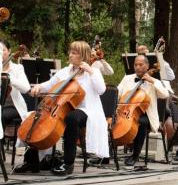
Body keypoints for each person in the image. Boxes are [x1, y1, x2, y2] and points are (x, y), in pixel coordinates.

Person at [15, 41, 109, 175]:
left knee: (72, 118)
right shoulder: (65, 71)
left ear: (83, 55)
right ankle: (32, 161)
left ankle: (68, 163)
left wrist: (90, 70)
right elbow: (49, 84)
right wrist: (38, 87)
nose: (70, 55)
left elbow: (101, 90)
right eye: (70, 52)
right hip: (63, 108)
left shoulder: (93, 72)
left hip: (88, 110)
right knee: (38, 119)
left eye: (74, 53)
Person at [117, 55, 169, 166]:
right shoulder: (127, 78)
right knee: (111, 121)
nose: (137, 67)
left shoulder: (154, 81)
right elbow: (118, 93)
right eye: (136, 65)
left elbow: (165, 94)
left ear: (147, 66)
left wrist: (152, 81)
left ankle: (135, 155)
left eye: (141, 65)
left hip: (147, 115)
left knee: (141, 123)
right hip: (127, 112)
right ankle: (105, 156)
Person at [0, 40, 31, 132]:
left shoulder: (18, 68)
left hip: (13, 106)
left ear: (9, 51)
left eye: (3, 50)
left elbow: (26, 88)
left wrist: (10, 78)